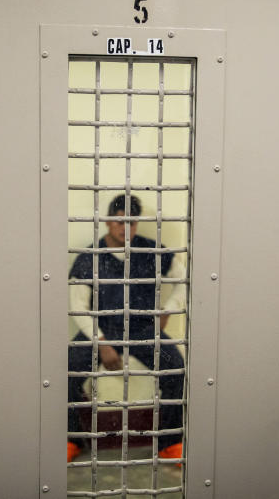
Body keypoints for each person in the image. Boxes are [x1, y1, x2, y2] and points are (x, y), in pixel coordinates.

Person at [67, 194, 186, 464]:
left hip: (142, 329)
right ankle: (71, 440)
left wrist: (167, 309)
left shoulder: (152, 252)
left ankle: (169, 443)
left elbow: (185, 280)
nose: (125, 228)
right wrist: (102, 343)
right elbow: (78, 307)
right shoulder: (90, 257)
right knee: (67, 371)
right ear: (109, 222)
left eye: (132, 222)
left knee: (175, 369)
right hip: (103, 328)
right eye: (120, 221)